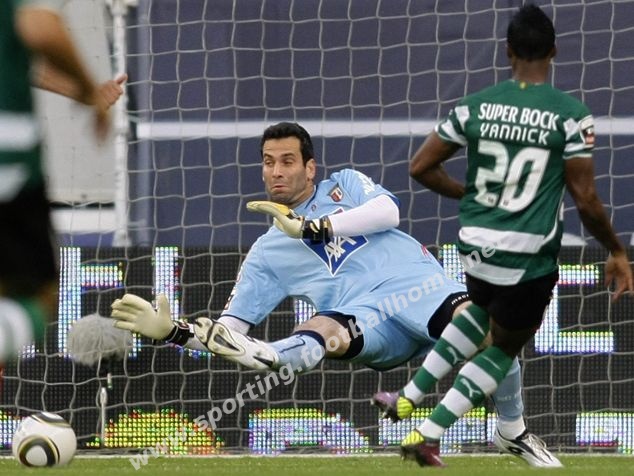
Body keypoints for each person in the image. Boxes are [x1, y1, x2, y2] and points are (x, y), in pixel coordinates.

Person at [112, 121, 561, 467]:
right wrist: (174, 332)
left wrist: (315, 225)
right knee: (323, 330)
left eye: (287, 161)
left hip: (418, 289)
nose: (276, 171)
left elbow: (389, 212)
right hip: (366, 320)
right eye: (268, 162)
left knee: (489, 335)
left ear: (310, 168)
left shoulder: (344, 184)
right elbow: (226, 332)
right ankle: (270, 355)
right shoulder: (267, 252)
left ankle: (511, 430)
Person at [371, 4, 634, 468]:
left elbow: (420, 167)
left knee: (479, 312)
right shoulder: (570, 116)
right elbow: (586, 198)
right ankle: (428, 435)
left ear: (508, 51)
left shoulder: (474, 105)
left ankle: (407, 396)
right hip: (525, 256)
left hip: (475, 245)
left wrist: (469, 194)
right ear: (553, 51)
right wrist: (615, 249)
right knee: (503, 347)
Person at [0, 0, 119, 363]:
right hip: (10, 166)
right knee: (38, 294)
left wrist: (82, 92)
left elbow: (28, 62)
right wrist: (88, 89)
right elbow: (39, 28)